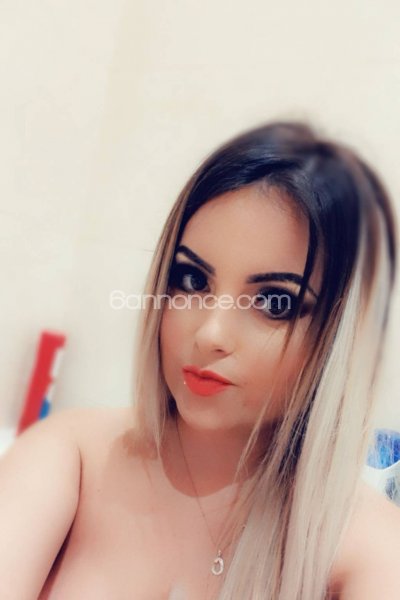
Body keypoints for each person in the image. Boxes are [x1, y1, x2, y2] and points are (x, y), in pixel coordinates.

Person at [1, 121, 400, 600]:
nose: (210, 333)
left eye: (274, 302)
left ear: (337, 337)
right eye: (192, 281)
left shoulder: (370, 549)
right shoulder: (71, 457)